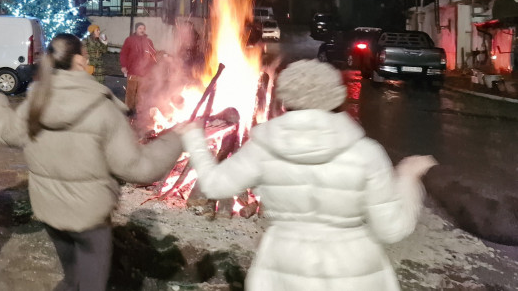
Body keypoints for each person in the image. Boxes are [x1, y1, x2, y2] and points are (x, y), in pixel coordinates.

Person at [181, 59, 437, 291]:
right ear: (336, 99)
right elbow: (391, 229)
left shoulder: (263, 149)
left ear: (285, 101)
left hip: (284, 269)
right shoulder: (366, 153)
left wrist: (194, 138)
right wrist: (408, 178)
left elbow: (214, 185)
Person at [0, 33, 185, 291]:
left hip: (49, 211)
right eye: (86, 56)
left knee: (72, 279)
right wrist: (178, 139)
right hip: (89, 220)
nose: (88, 60)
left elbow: (6, 132)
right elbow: (139, 168)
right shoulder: (102, 108)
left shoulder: (35, 102)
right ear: (79, 61)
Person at [119, 22, 157, 113]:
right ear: (136, 29)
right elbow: (124, 53)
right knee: (130, 92)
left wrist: (151, 68)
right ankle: (128, 109)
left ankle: (139, 111)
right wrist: (124, 65)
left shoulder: (148, 42)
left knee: (141, 93)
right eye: (140, 28)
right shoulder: (130, 40)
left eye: (143, 28)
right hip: (132, 71)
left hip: (144, 73)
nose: (142, 30)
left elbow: (153, 55)